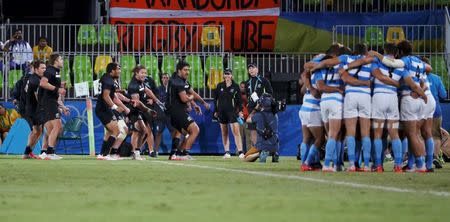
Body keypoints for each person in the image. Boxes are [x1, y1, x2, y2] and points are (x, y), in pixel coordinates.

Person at [344, 43, 403, 172]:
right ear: (397, 53)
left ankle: (378, 165)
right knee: (394, 133)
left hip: (379, 97)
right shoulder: (401, 64)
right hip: (393, 98)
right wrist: (396, 83)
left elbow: (377, 75)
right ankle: (398, 165)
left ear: (383, 51)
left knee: (377, 134)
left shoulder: (376, 61)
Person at [166, 61, 210, 160]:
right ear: (179, 71)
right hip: (177, 111)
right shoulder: (178, 82)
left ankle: (174, 154)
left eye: (188, 70)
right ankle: (185, 153)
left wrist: (201, 103)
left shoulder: (180, 80)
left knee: (180, 132)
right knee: (195, 130)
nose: (187, 72)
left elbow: (192, 92)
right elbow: (185, 99)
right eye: (185, 70)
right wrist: (191, 98)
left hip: (174, 111)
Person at [37, 53, 68, 160]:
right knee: (58, 126)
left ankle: (44, 152)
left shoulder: (56, 72)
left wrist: (62, 106)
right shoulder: (50, 71)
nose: (62, 61)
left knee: (51, 129)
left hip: (50, 101)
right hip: (48, 102)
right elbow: (43, 83)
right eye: (61, 59)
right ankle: (50, 153)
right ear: (55, 61)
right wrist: (57, 89)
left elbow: (53, 87)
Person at [95, 63, 130, 160]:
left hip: (103, 108)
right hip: (103, 109)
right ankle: (105, 155)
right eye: (118, 69)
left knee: (110, 131)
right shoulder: (109, 80)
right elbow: (106, 96)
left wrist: (121, 106)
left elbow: (112, 96)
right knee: (116, 130)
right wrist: (114, 107)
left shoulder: (106, 78)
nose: (120, 71)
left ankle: (102, 154)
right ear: (112, 70)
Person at [213, 68, 244, 159]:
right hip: (221, 112)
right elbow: (215, 99)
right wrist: (215, 111)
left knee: (236, 131)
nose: (227, 76)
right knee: (224, 132)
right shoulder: (219, 85)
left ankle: (240, 151)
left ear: (232, 75)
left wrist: (240, 111)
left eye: (229, 74)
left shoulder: (235, 86)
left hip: (232, 112)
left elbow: (239, 100)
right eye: (225, 74)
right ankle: (227, 152)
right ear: (223, 75)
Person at [244, 63, 273, 152]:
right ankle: (257, 150)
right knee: (252, 129)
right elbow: (248, 96)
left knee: (263, 129)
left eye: (253, 68)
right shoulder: (247, 83)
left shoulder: (264, 80)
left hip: (262, 108)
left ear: (257, 70)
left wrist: (264, 104)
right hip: (251, 109)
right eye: (249, 68)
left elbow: (270, 93)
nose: (251, 70)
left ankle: (269, 150)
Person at [243, 93, 279, 162]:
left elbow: (247, 119)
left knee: (246, 158)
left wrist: (255, 109)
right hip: (275, 144)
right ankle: (274, 153)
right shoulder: (275, 115)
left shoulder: (258, 115)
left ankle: (260, 154)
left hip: (262, 145)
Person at [22, 60, 46, 159]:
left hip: (31, 107)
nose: (44, 70)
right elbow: (38, 97)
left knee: (38, 131)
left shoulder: (32, 78)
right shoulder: (36, 80)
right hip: (33, 109)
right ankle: (26, 153)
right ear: (36, 69)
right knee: (36, 131)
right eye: (42, 68)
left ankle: (28, 152)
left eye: (45, 68)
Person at [127, 65, 151, 160]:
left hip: (138, 111)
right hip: (133, 111)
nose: (144, 74)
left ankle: (136, 152)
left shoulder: (141, 83)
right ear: (137, 73)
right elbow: (136, 103)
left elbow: (147, 91)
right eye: (142, 73)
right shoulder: (133, 85)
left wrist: (156, 100)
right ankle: (134, 153)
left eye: (145, 73)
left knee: (144, 131)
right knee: (137, 132)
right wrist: (147, 110)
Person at [426, 66, 447, 168]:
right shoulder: (436, 78)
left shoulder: (416, 77)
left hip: (421, 110)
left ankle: (423, 157)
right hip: (435, 110)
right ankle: (434, 156)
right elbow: (443, 95)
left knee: (419, 134)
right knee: (436, 136)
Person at [153, 73, 173, 155]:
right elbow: (153, 99)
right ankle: (156, 151)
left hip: (169, 115)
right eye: (164, 77)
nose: (166, 79)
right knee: (158, 133)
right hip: (160, 115)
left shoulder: (172, 89)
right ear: (161, 79)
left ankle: (175, 151)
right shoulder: (157, 89)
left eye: (167, 78)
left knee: (173, 132)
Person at [239, 81, 251, 152]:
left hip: (247, 119)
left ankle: (249, 153)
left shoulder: (250, 96)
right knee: (239, 137)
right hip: (239, 119)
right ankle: (239, 153)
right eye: (241, 87)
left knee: (249, 138)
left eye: (244, 87)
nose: (243, 88)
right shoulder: (236, 95)